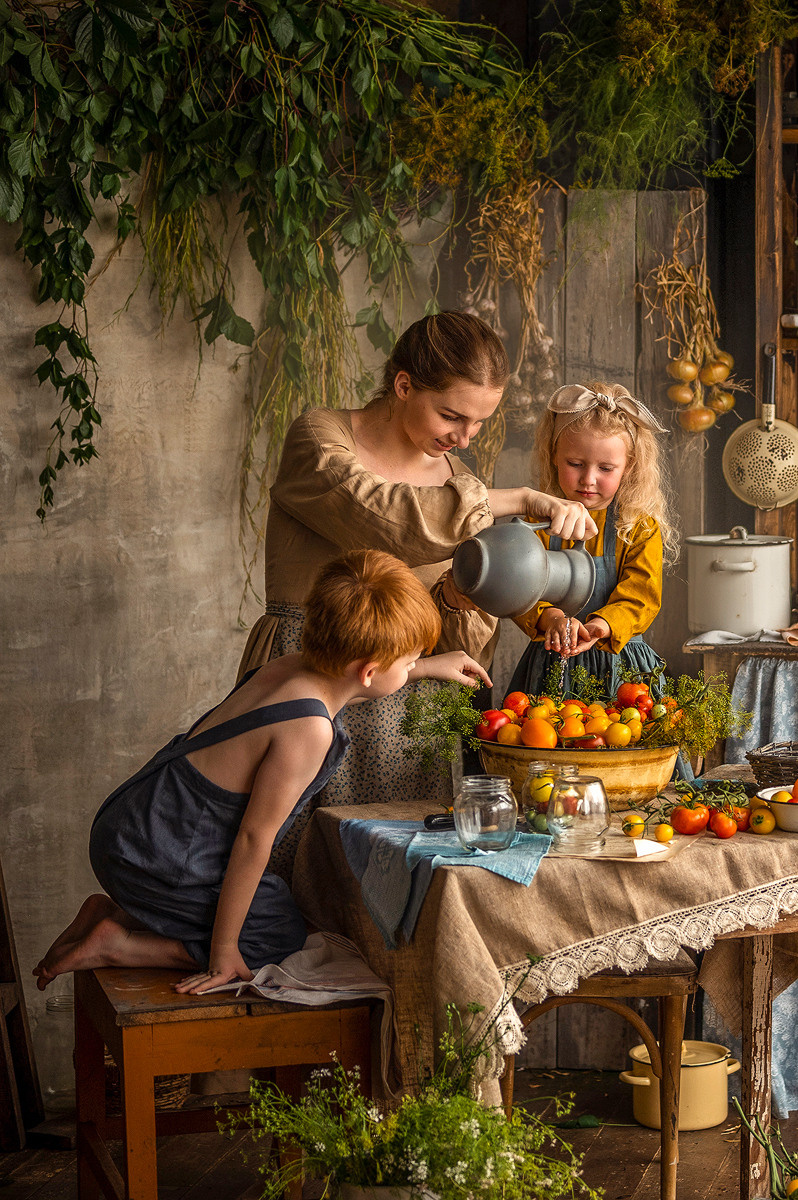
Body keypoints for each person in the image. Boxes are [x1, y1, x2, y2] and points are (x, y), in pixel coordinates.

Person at [33, 551, 491, 996]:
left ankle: (113, 913)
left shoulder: (291, 668)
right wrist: (224, 949)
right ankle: (118, 943)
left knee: (268, 902)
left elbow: (352, 687)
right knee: (276, 933)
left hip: (135, 819)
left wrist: (426, 668)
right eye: (409, 660)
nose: (413, 666)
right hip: (160, 852)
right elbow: (255, 838)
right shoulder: (311, 730)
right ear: (370, 669)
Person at [238, 312, 597, 876]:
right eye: (452, 415)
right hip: (311, 671)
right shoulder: (321, 438)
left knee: (395, 871)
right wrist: (522, 498)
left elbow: (461, 627)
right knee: (284, 856)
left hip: (411, 694)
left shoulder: (458, 479)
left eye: (479, 423)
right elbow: (387, 517)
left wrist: (457, 598)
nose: (463, 437)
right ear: (403, 385)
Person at [507, 381, 679, 701]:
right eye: (576, 464)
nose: (588, 479)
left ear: (629, 467)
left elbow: (640, 596)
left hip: (622, 666)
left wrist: (601, 626)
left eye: (605, 468)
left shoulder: (638, 527)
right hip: (551, 662)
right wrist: (554, 618)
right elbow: (520, 591)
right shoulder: (536, 524)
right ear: (554, 456)